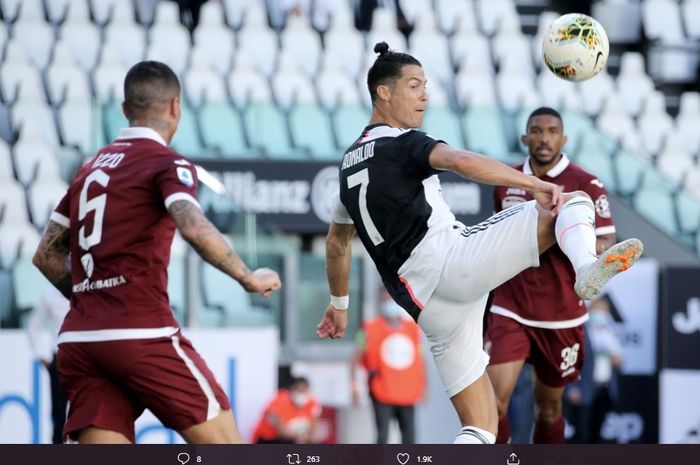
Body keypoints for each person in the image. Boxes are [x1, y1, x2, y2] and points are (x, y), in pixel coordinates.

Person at [314, 42, 642, 444]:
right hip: (454, 263)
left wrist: (339, 305)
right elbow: (461, 162)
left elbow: (336, 243)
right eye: (415, 85)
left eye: (426, 86)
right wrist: (534, 183)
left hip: (429, 309)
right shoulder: (402, 142)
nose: (425, 95)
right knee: (570, 199)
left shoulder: (347, 169)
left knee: (482, 426)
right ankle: (586, 267)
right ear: (384, 92)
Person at [32, 61, 281, 444]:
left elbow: (45, 255)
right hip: (141, 333)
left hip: (79, 342)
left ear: (124, 108)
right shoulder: (167, 163)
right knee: (229, 448)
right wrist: (248, 277)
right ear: (176, 107)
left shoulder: (88, 170)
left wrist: (93, 296)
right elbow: (193, 226)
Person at [485, 107, 621, 444]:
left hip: (561, 312)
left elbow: (608, 240)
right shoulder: (508, 180)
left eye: (551, 131)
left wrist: (573, 239)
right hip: (510, 304)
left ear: (563, 138)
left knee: (548, 408)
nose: (544, 138)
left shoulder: (584, 182)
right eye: (537, 130)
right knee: (494, 403)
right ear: (524, 137)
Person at [350, 290, 425, 444]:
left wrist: (423, 387)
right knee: (382, 437)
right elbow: (353, 359)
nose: (388, 304)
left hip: (407, 392)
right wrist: (354, 387)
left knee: (410, 437)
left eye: (391, 300)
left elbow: (420, 360)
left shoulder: (413, 329)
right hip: (381, 392)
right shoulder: (368, 329)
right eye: (384, 301)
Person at [26, 287, 70, 444]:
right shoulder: (50, 296)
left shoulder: (85, 290)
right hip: (59, 360)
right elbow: (33, 325)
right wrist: (41, 355)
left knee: (86, 417)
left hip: (84, 361)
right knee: (58, 417)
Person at [251, 377, 321, 444]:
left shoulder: (312, 402)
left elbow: (313, 430)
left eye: (303, 391)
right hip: (268, 439)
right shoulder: (279, 401)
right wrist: (303, 438)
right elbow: (283, 432)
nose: (301, 394)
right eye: (299, 391)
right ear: (291, 390)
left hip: (293, 438)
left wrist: (310, 437)